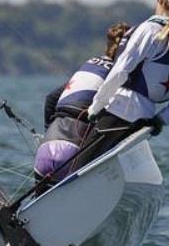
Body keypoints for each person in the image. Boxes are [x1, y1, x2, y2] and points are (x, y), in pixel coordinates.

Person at [71, 0, 169, 169]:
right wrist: (161, 119)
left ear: (162, 0)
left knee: (77, 168)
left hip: (120, 109)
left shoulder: (149, 29)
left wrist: (95, 108)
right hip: (144, 121)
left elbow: (121, 70)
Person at [33, 22, 131, 186]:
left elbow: (51, 98)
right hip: (74, 155)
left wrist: (47, 133)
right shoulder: (120, 74)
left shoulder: (90, 63)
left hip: (46, 148)